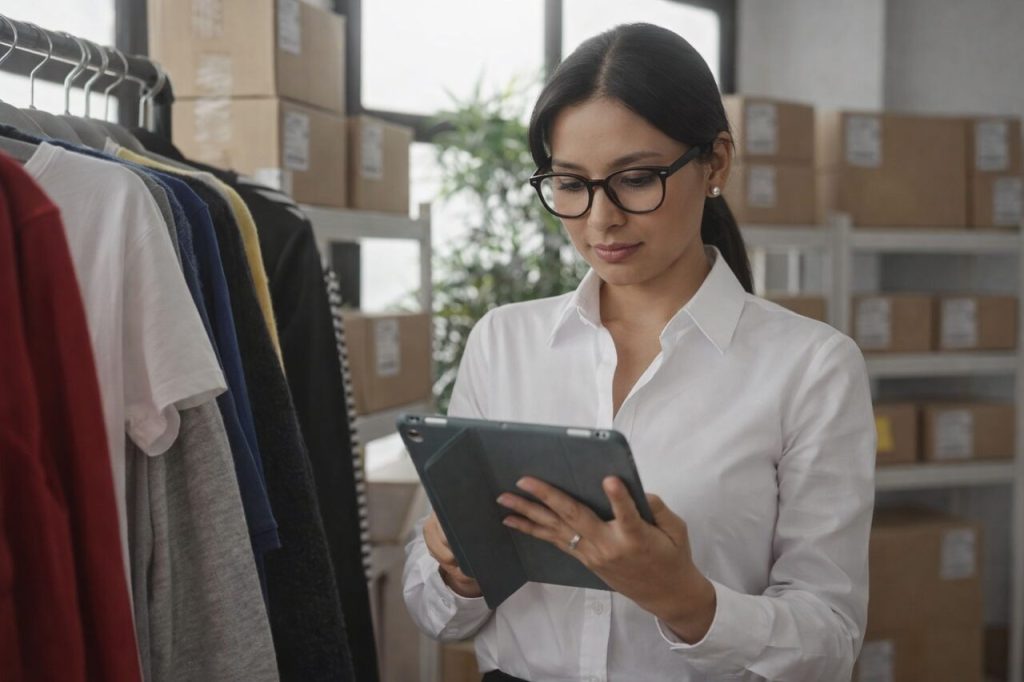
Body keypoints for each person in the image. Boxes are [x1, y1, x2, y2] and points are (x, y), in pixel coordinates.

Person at [403, 22, 875, 682]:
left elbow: (830, 641)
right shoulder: (502, 342)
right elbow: (434, 612)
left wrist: (685, 599)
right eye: (570, 183)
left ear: (715, 163)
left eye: (637, 178)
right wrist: (456, 569)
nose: (600, 221)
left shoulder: (812, 368)